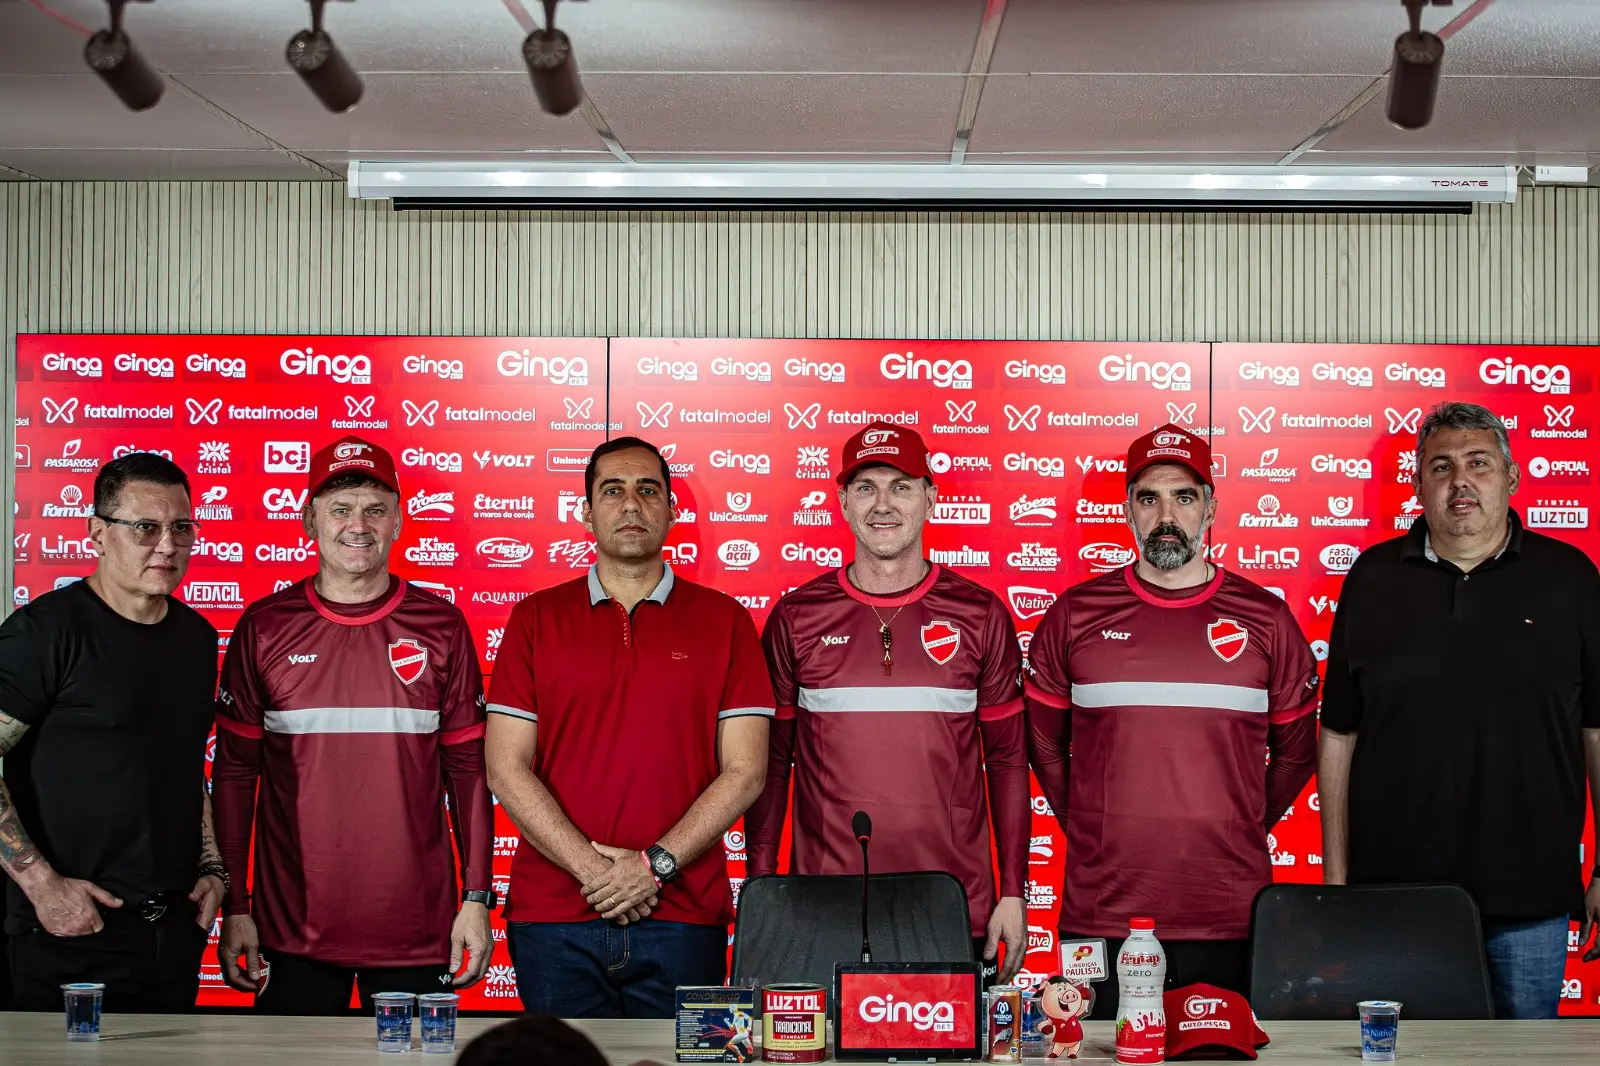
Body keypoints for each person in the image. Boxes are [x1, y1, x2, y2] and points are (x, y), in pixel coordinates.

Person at [1319, 401, 1600, 1020]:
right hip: (1395, 895)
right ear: (1418, 484)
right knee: (1402, 1059)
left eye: (1479, 463)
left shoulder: (1572, 578)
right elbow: (1338, 734)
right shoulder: (1371, 578)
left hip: (1531, 896)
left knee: (1527, 1063)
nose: (1460, 481)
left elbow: (1596, 731)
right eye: (1440, 467)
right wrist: (1335, 885)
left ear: (1511, 475)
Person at [1026, 424, 1319, 1016]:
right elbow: (1044, 747)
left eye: (1184, 497)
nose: (1167, 514)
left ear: (1210, 507)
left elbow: (1296, 752)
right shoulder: (1075, 615)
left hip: (1228, 911)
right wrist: (1090, 823)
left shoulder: (1266, 619)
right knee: (1099, 1056)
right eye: (1148, 497)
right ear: (1127, 509)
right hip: (1101, 909)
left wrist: (1241, 819)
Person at [485, 436, 773, 1019]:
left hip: (683, 916)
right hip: (554, 918)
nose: (631, 505)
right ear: (587, 511)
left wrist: (651, 868)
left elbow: (745, 772)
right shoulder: (535, 619)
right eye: (611, 491)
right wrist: (597, 873)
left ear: (671, 509)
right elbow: (505, 767)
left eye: (648, 490)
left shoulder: (726, 622)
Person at [211, 435, 493, 1014]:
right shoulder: (263, 627)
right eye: (339, 509)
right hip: (293, 933)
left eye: (374, 508)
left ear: (398, 519)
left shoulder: (442, 626)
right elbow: (235, 778)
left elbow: (468, 773)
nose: (356, 524)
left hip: (419, 931)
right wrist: (236, 906)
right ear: (309, 519)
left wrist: (477, 898)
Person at [745, 420, 1029, 985]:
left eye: (901, 486)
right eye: (866, 487)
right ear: (843, 502)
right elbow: (771, 766)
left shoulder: (981, 613)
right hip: (822, 901)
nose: (883, 504)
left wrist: (1014, 894)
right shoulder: (797, 616)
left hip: (949, 902)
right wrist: (760, 889)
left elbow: (1006, 761)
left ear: (930, 497)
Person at [0, 452, 221, 1012]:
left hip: (171, 934)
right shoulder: (43, 633)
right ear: (98, 532)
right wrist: (43, 887)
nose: (167, 545)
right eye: (145, 527)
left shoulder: (195, 638)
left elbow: (181, 762)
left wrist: (213, 869)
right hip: (66, 932)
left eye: (181, 527)